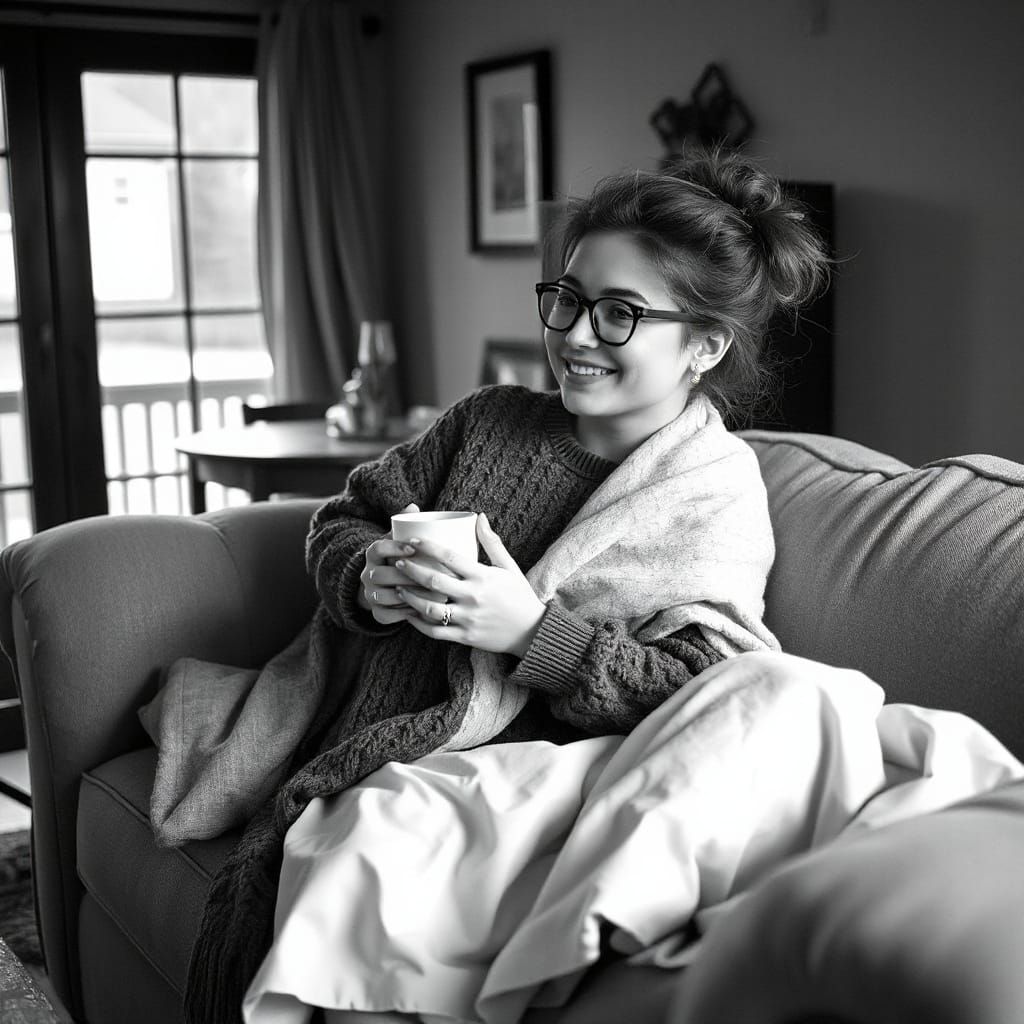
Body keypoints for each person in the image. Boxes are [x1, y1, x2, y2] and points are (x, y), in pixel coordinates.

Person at [184, 147, 829, 1024]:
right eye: (566, 299)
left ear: (705, 345)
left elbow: (704, 699)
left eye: (619, 313)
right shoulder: (488, 422)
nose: (574, 335)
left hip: (523, 789)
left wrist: (533, 633)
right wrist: (363, 579)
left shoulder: (710, 498)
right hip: (376, 726)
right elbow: (349, 515)